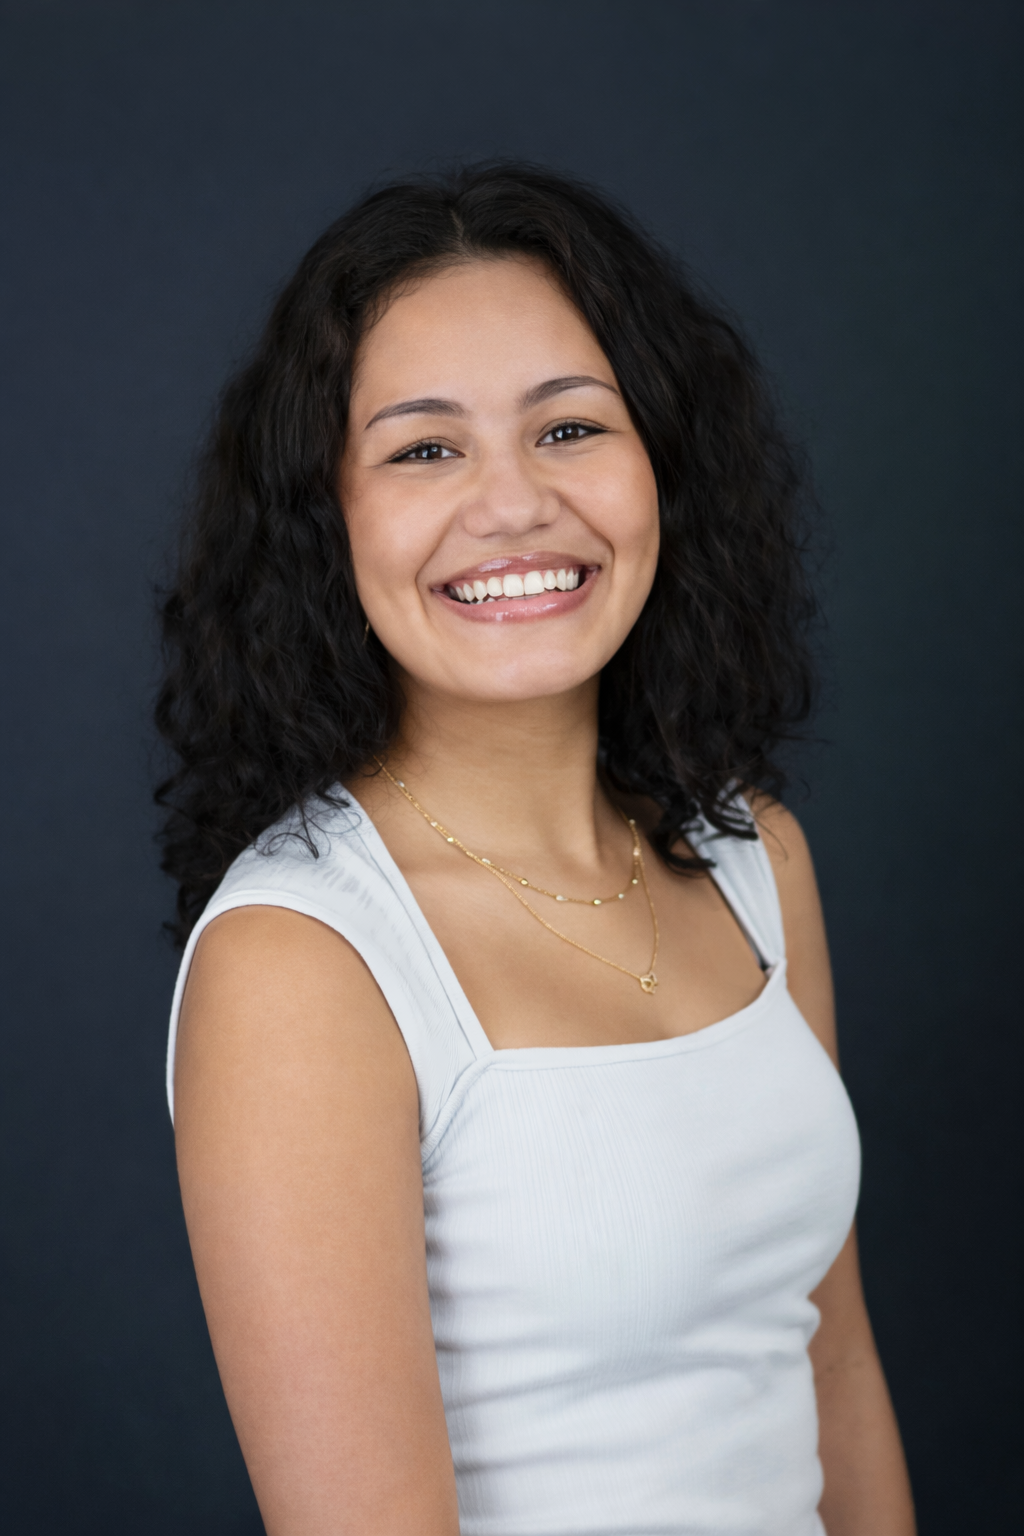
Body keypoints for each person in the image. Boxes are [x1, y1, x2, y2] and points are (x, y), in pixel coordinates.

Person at [157, 163, 916, 1536]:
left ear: (663, 465)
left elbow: (833, 1366)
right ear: (327, 518)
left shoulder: (755, 857)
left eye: (570, 428)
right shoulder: (302, 962)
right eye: (423, 449)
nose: (512, 505)